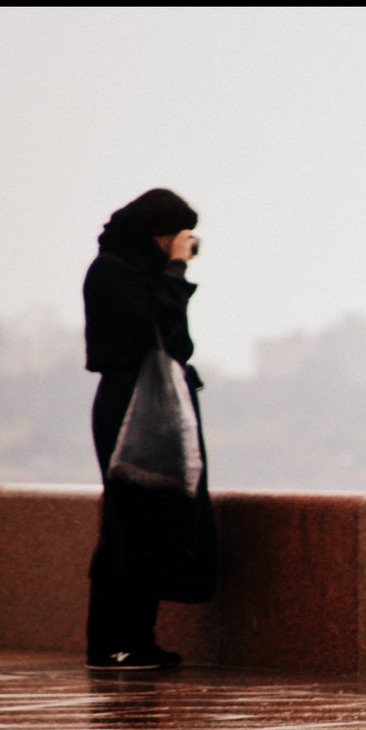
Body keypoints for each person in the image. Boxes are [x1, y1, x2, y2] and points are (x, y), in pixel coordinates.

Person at [83, 188, 217, 669]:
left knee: (158, 523)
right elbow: (152, 330)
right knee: (129, 524)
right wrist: (176, 273)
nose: (179, 247)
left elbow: (178, 342)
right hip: (129, 408)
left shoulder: (143, 275)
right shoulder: (112, 272)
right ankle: (111, 643)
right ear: (153, 234)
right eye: (173, 237)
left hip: (160, 406)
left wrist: (171, 277)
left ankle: (138, 639)